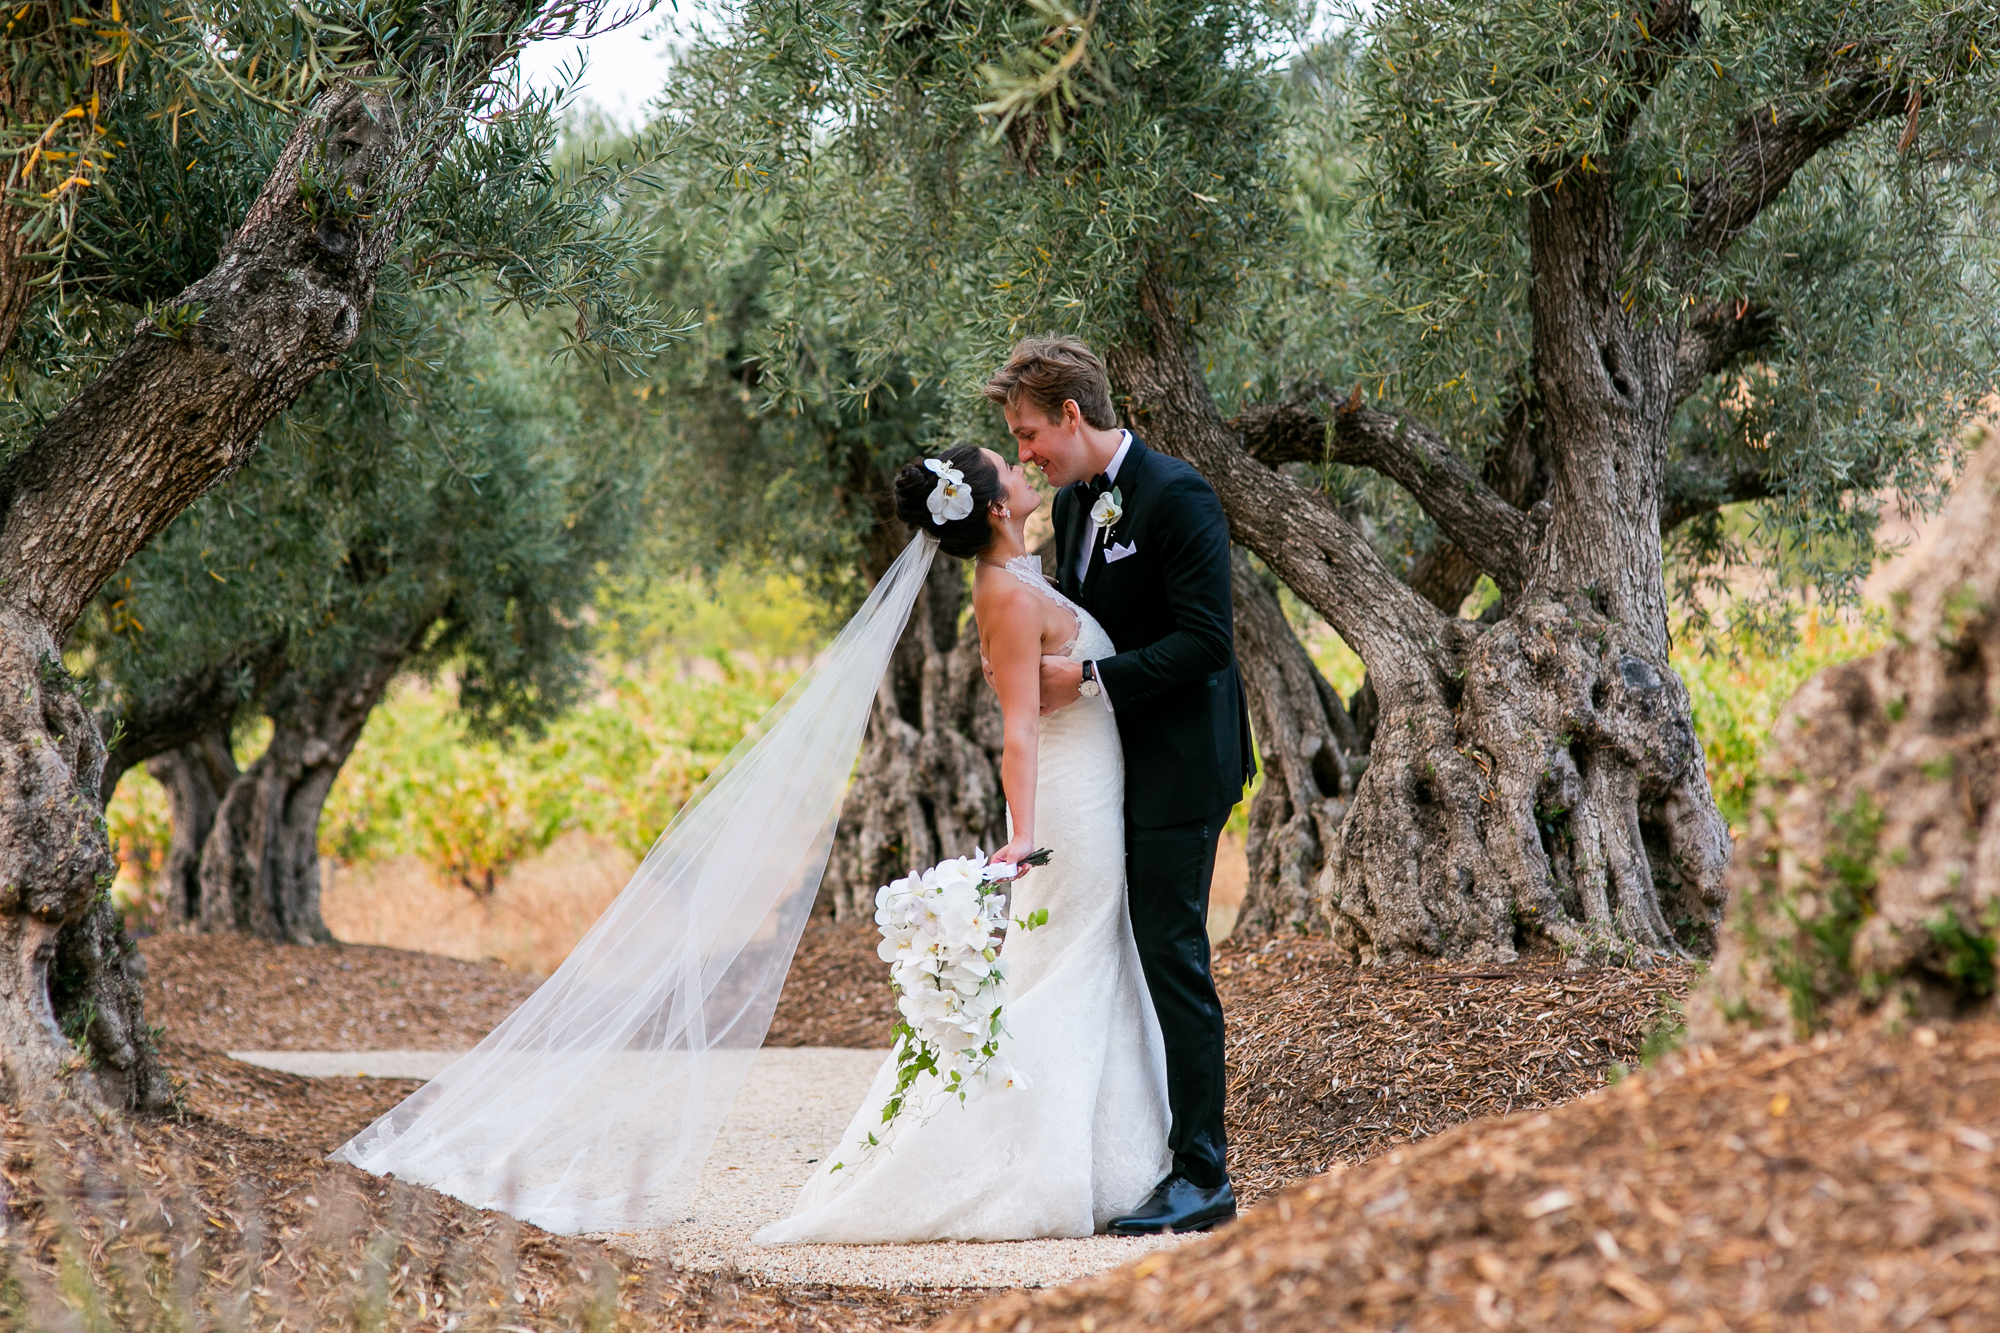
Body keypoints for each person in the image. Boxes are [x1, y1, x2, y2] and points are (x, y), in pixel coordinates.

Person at [754, 441, 1174, 1243]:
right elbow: (1018, 727)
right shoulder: (1005, 593)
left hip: (1092, 780)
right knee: (1069, 959)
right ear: (991, 506)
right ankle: (1040, 1164)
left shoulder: (1022, 573)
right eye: (1007, 468)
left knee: (1084, 957)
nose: (1023, 470)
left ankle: (1118, 1153)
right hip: (1065, 800)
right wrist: (1023, 834)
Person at [988, 335, 1252, 1235]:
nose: (1025, 454)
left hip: (1183, 765)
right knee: (1138, 952)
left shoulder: (1179, 495)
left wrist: (1091, 683)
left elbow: (1208, 640)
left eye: (1029, 434)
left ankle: (1204, 1175)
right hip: (1116, 771)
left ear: (1072, 413)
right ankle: (1140, 1150)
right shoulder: (1076, 506)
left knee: (1173, 953)